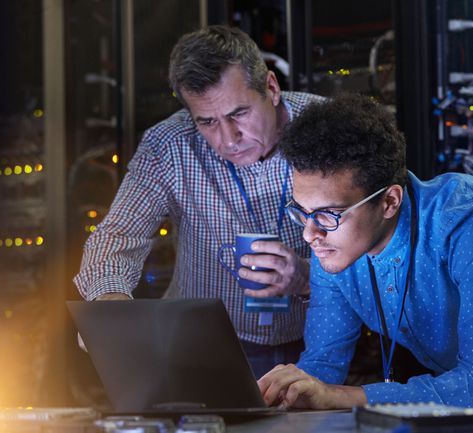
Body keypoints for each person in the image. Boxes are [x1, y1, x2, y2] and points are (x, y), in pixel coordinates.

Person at [258, 94, 473, 433]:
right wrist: (284, 395)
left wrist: (339, 397)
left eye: (327, 215)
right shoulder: (332, 245)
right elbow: (322, 367)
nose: (309, 234)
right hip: (457, 382)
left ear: (389, 202)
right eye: (302, 213)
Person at [73, 25, 325, 378]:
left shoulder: (326, 127)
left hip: (321, 342)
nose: (229, 139)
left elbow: (382, 244)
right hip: (203, 346)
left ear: (271, 87)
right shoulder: (169, 145)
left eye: (239, 114)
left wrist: (306, 277)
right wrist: (110, 304)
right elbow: (117, 236)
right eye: (207, 122)